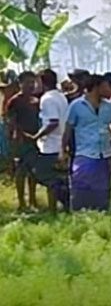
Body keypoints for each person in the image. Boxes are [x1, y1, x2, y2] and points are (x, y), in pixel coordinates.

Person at [60, 74, 111, 212]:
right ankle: (80, 212)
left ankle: (101, 213)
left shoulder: (109, 106)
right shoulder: (76, 106)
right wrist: (62, 150)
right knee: (82, 186)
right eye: (107, 86)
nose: (110, 89)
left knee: (102, 188)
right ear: (97, 87)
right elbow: (67, 130)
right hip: (84, 154)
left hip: (104, 154)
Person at [32, 69, 70, 213]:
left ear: (42, 82)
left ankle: (60, 204)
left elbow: (53, 122)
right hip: (60, 143)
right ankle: (57, 209)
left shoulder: (47, 99)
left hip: (50, 145)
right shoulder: (61, 96)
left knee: (44, 175)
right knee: (57, 177)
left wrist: (37, 136)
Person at [6, 71, 41, 211]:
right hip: (20, 141)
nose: (31, 85)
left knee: (34, 172)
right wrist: (17, 137)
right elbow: (11, 123)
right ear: (20, 84)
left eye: (33, 82)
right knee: (21, 171)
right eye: (27, 82)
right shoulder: (14, 101)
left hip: (35, 139)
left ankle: (33, 200)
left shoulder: (36, 100)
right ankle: (21, 202)